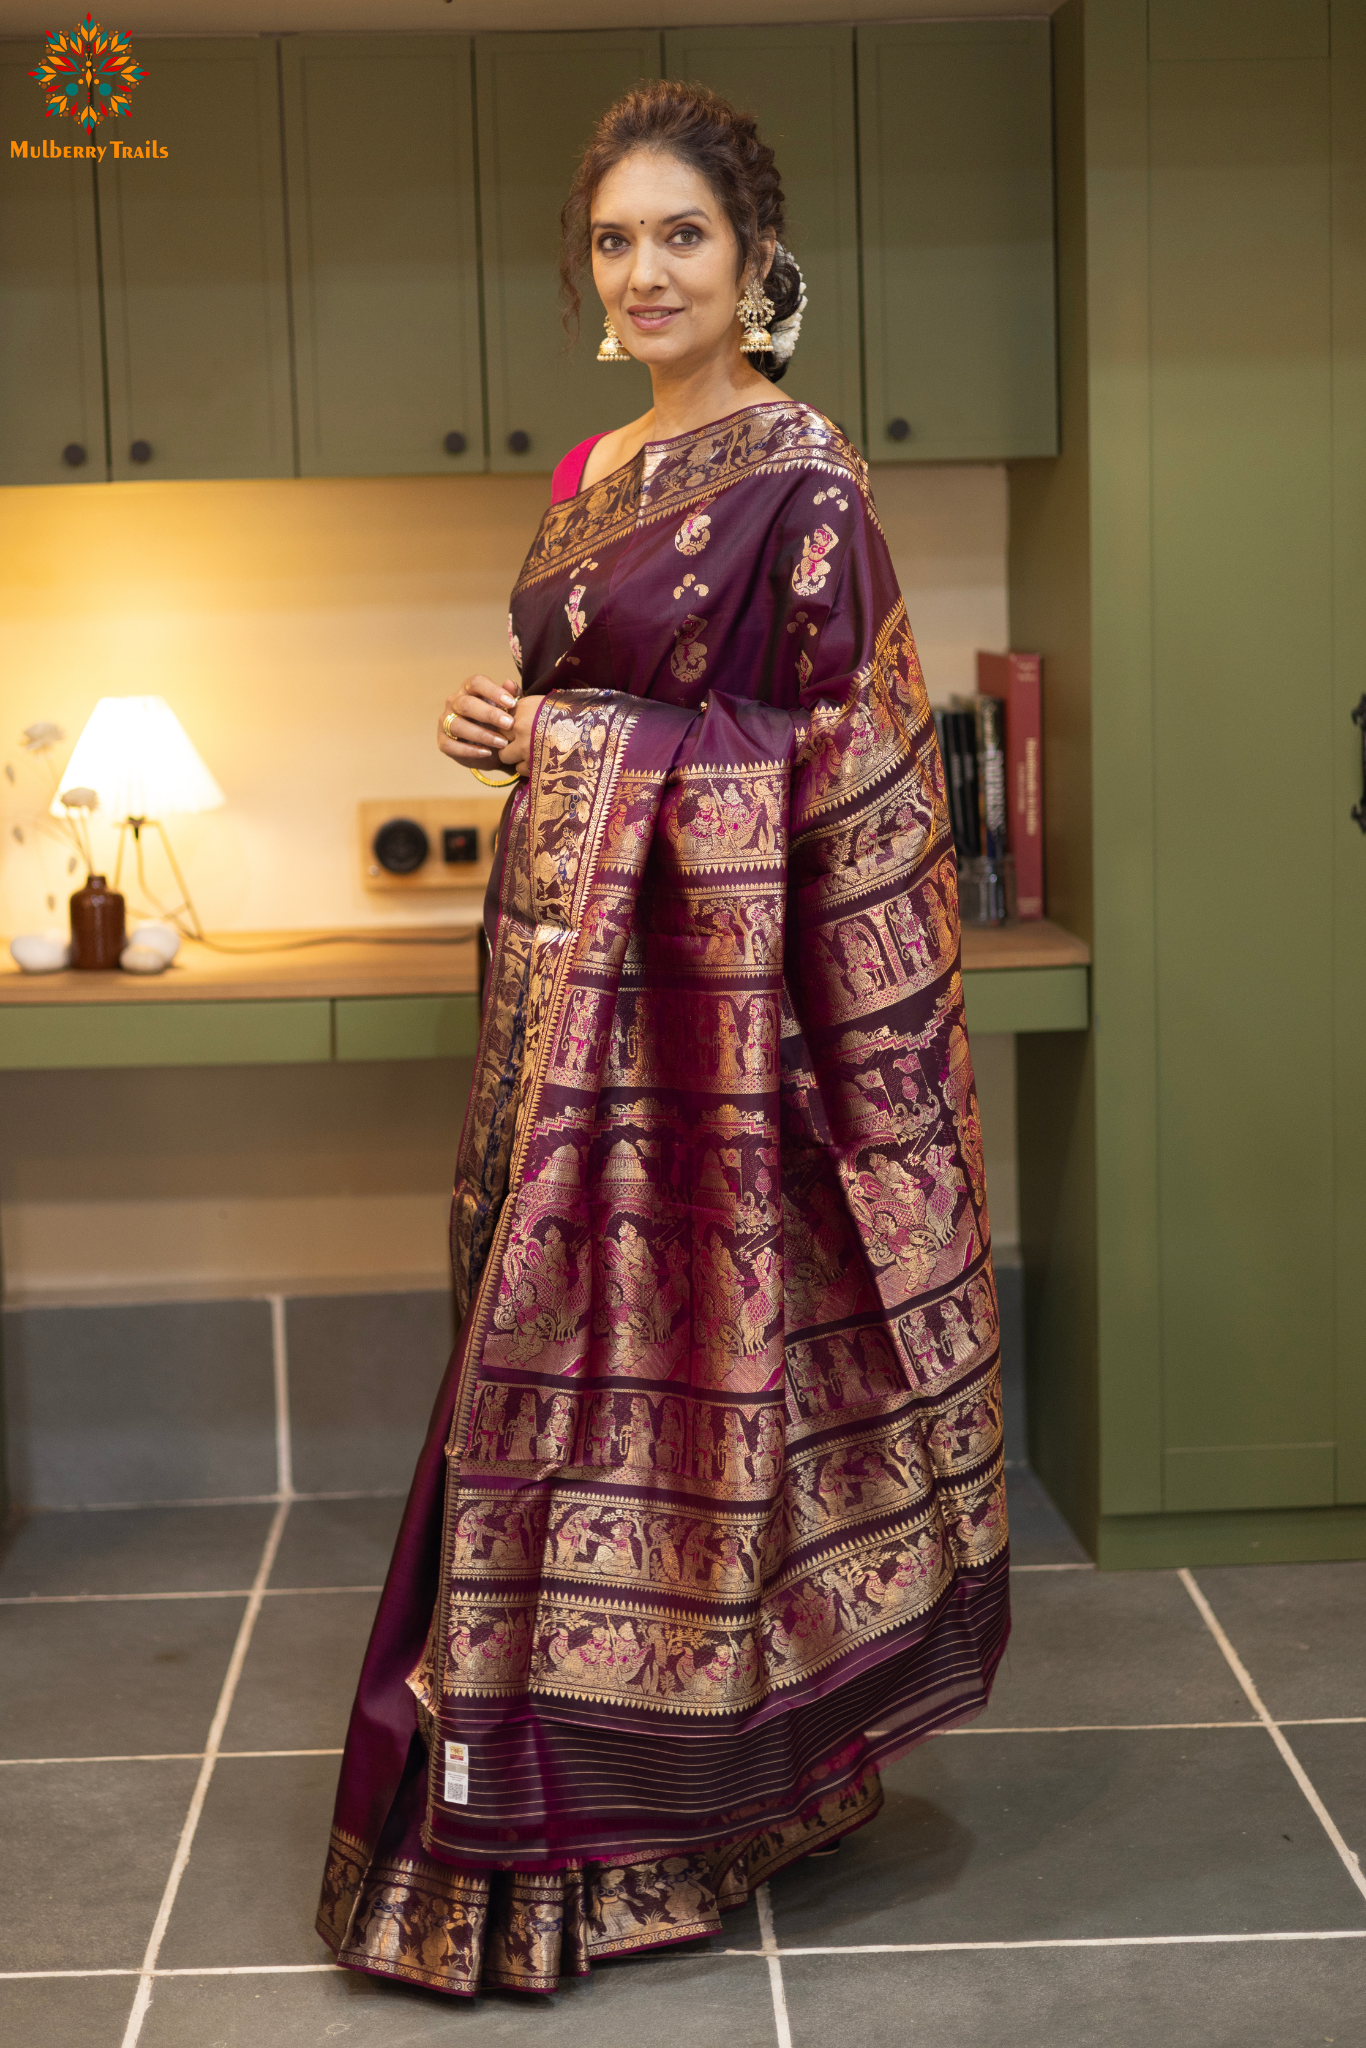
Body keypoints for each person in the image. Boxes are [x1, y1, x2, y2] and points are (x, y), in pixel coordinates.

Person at [316, 77, 1008, 1999]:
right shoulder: (586, 479)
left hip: (714, 1053)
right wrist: (510, 730)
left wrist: (572, 745)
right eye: (613, 241)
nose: (643, 272)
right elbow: (588, 710)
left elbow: (844, 767)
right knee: (535, 1393)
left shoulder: (804, 481)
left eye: (680, 236)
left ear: (753, 258)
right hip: (559, 1023)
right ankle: (546, 1804)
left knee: (674, 1400)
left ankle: (670, 1813)